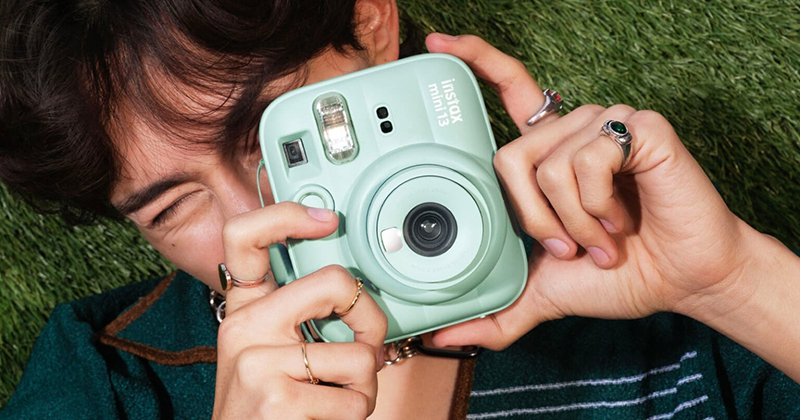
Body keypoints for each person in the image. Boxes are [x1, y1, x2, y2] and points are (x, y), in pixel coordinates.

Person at [1, 0, 799, 418]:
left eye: (277, 134)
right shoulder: (103, 379)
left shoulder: (631, 274)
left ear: (369, 23)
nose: (257, 218)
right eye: (173, 207)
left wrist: (734, 284)